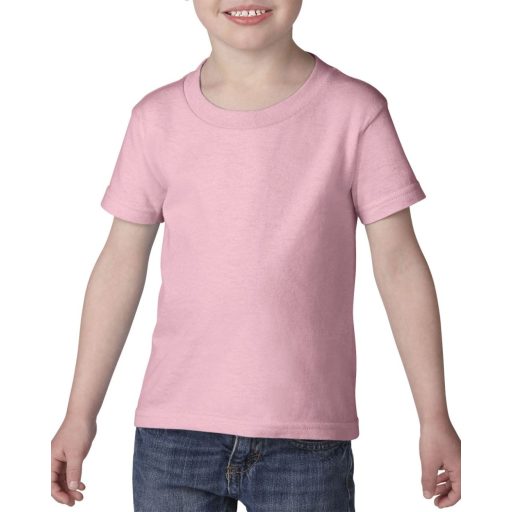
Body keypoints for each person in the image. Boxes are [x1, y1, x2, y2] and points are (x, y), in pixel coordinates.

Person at [51, 1, 461, 510]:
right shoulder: (156, 119)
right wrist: (79, 412)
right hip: (175, 434)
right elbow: (119, 264)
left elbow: (399, 265)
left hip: (306, 440)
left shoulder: (355, 111)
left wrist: (434, 416)